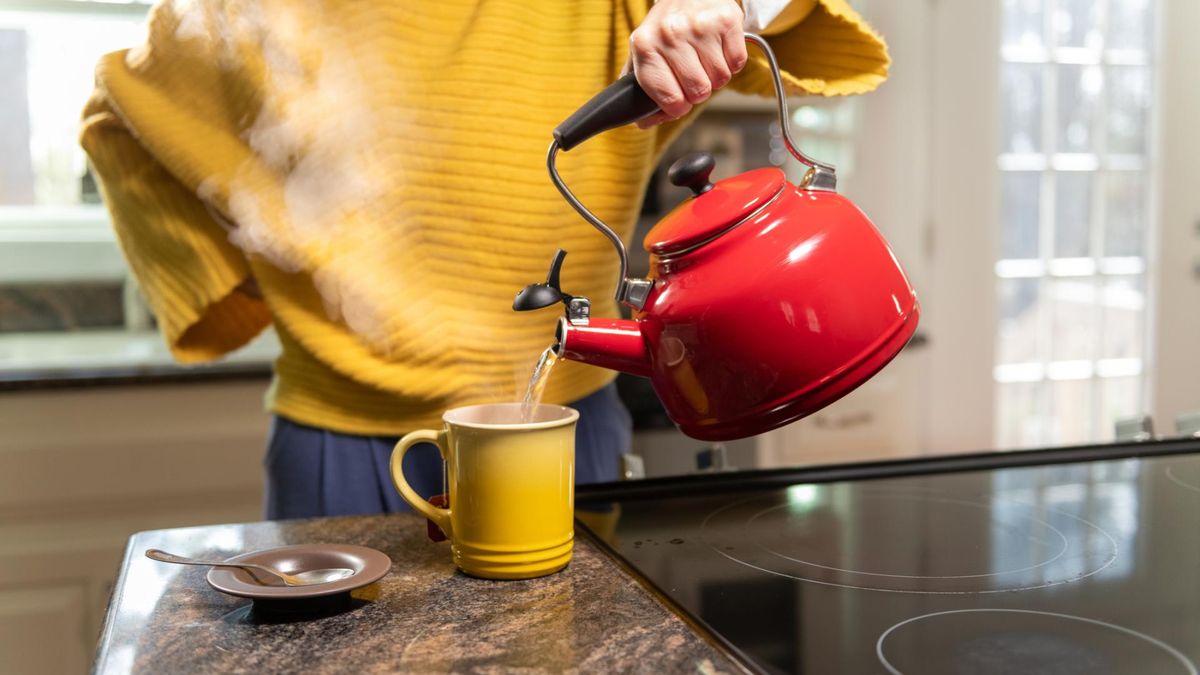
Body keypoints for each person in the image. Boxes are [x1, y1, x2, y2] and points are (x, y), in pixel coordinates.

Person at [80, 0, 888, 519]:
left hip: (570, 429)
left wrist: (723, 4)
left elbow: (792, 21)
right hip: (342, 439)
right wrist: (247, 269)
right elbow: (115, 111)